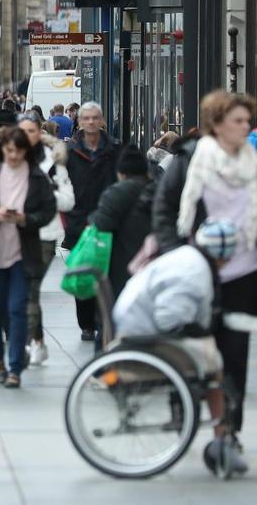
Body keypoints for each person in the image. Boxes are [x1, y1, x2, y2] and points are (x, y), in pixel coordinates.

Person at [152, 90, 257, 440]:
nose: (245, 127)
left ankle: (228, 433)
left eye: (247, 120)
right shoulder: (189, 159)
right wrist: (175, 251)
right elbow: (165, 209)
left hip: (242, 273)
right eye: (237, 121)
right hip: (197, 271)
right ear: (217, 124)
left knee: (235, 354)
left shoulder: (252, 161)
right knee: (190, 345)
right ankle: (182, 406)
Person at [113, 218, 246, 476]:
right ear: (224, 256)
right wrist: (200, 332)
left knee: (211, 358)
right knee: (213, 364)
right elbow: (170, 318)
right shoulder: (194, 273)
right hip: (144, 333)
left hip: (139, 320)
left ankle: (222, 438)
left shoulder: (190, 257)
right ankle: (221, 439)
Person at [0, 127, 57, 388]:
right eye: (9, 151)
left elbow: (48, 209)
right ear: (1, 150)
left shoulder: (36, 177)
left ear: (26, 151)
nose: (13, 156)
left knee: (18, 310)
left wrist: (26, 219)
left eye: (18, 151)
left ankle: (15, 367)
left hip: (22, 255)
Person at [17, 111, 75, 366]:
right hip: (14, 232)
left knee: (29, 288)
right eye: (22, 131)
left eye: (31, 131)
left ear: (39, 132)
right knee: (21, 289)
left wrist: (47, 191)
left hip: (44, 234)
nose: (26, 136)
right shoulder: (8, 158)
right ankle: (35, 339)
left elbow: (68, 200)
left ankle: (31, 342)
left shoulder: (54, 162)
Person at [66, 101, 122, 341]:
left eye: (94, 118)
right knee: (83, 270)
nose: (90, 122)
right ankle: (86, 323)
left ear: (101, 121)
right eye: (86, 118)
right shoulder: (70, 153)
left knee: (107, 271)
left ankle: (103, 319)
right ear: (79, 122)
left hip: (108, 218)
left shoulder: (115, 149)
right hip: (80, 221)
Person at [90, 145, 155, 301]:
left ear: (121, 174)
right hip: (151, 264)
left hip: (121, 265)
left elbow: (100, 225)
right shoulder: (157, 190)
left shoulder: (114, 193)